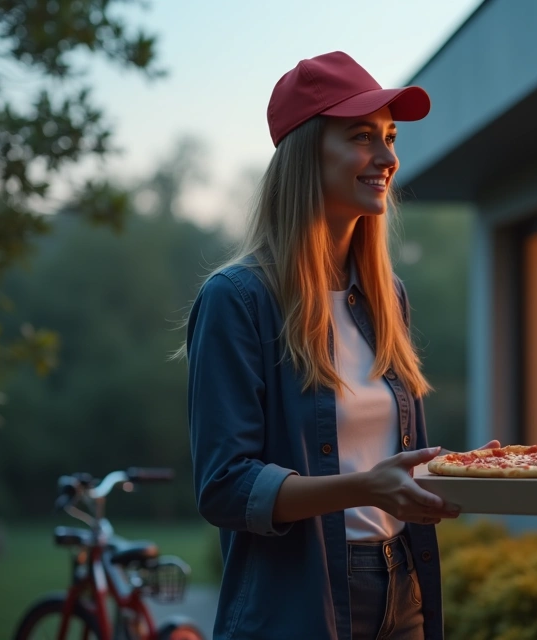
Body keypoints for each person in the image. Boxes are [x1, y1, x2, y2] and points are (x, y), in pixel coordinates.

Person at [179, 51, 480, 640]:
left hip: (403, 585)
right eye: (363, 136)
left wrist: (466, 473)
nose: (389, 157)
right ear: (306, 152)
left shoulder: (386, 295)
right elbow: (225, 487)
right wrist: (365, 487)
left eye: (391, 137)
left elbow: (391, 467)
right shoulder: (236, 299)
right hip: (298, 604)